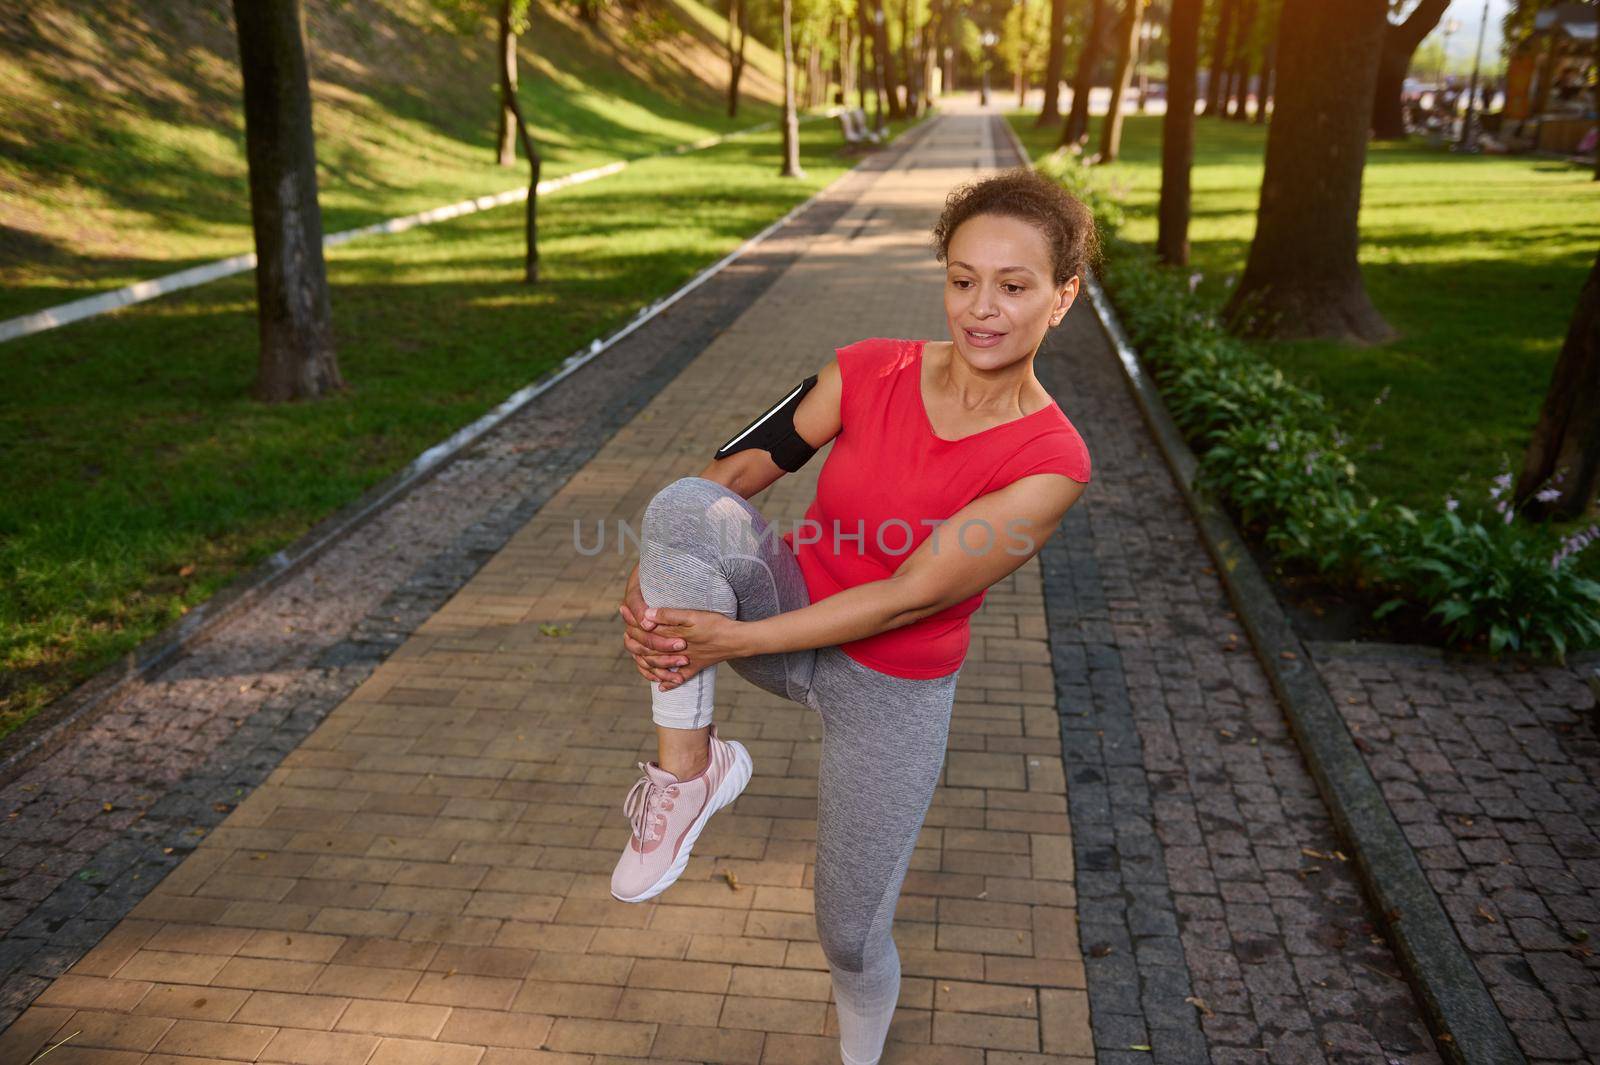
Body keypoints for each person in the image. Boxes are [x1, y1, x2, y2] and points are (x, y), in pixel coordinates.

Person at [610, 168, 1096, 1065]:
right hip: (789, 598)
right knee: (679, 503)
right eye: (961, 279)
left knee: (849, 928)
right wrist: (658, 581)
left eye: (1013, 285)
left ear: (1062, 297)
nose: (980, 308)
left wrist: (732, 639)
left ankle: (859, 1051)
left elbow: (912, 593)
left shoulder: (1051, 460)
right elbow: (730, 476)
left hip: (893, 683)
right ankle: (689, 774)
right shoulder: (869, 368)